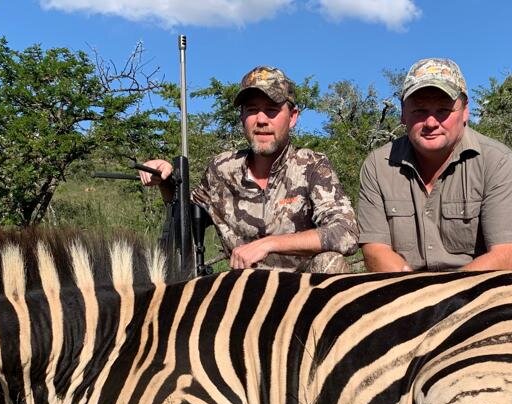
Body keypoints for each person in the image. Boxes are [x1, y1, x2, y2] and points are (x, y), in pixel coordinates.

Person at [139, 66, 358, 274]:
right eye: (252, 110)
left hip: (303, 296)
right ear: (242, 117)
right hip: (244, 292)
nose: (261, 120)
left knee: (329, 264)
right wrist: (166, 181)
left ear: (292, 117)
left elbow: (345, 233)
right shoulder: (221, 168)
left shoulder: (312, 165)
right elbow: (185, 222)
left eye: (272, 110)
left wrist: (269, 244)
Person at [357, 57, 512, 273]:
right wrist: (418, 299)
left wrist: (442, 298)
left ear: (465, 111)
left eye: (443, 110)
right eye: (419, 111)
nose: (430, 122)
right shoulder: (377, 165)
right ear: (402, 112)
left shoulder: (498, 161)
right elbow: (375, 251)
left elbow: (507, 256)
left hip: (479, 292)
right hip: (405, 290)